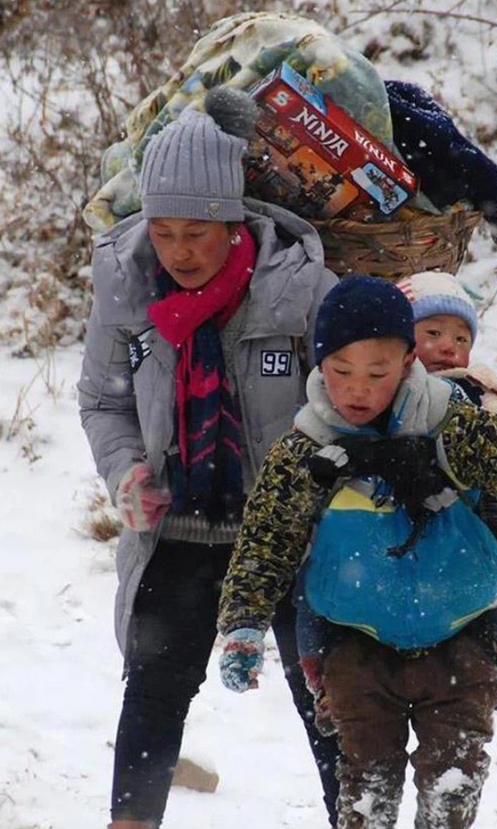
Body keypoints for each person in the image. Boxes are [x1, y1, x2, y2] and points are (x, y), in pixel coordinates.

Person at [217, 275, 497, 829]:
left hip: (462, 636)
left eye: (378, 374)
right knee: (365, 790)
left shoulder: (451, 423)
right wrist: (243, 623)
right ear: (319, 364)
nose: (358, 390)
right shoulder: (307, 449)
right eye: (341, 372)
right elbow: (266, 540)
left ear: (409, 361)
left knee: (452, 787)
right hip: (355, 649)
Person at [78, 86, 340, 829]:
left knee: (329, 699)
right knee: (153, 691)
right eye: (163, 231)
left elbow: (356, 400)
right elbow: (102, 398)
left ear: (235, 221)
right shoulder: (125, 287)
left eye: (199, 231)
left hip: (288, 540)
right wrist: (126, 470)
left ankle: (357, 817)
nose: (180, 251)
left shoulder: (299, 291)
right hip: (178, 532)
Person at [398, 270, 497, 714]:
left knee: (492, 588)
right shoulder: (384, 388)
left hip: (466, 515)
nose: (448, 346)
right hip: (396, 516)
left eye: (461, 337)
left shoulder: (481, 396)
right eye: (433, 333)